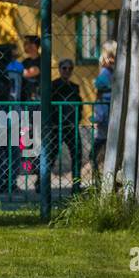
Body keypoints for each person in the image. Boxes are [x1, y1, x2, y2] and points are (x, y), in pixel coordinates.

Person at [42, 59, 83, 193]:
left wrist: (77, 118)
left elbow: (79, 104)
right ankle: (42, 183)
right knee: (50, 155)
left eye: (69, 69)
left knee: (77, 154)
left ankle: (76, 186)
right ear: (59, 69)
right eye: (64, 68)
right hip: (56, 126)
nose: (67, 71)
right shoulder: (53, 85)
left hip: (71, 125)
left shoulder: (74, 87)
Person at [91, 40, 117, 174]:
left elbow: (99, 89)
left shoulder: (107, 73)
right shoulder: (111, 72)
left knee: (101, 143)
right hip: (107, 111)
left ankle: (98, 171)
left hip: (105, 112)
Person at [21, 34, 42, 102]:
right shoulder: (25, 61)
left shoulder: (41, 61)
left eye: (26, 43)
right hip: (25, 96)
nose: (24, 45)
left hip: (37, 97)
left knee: (36, 112)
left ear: (33, 46)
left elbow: (29, 73)